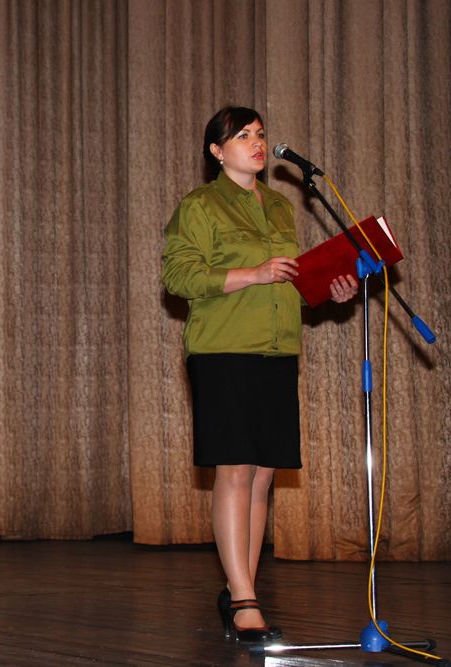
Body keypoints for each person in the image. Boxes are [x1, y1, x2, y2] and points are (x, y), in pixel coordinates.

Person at [161, 106, 357, 643]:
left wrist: (327, 292)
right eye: (242, 136)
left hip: (277, 350)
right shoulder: (200, 205)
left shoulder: (279, 206)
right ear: (216, 151)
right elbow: (178, 275)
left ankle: (239, 588)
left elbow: (287, 284)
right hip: (224, 349)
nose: (256, 143)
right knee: (235, 469)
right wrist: (253, 273)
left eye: (260, 134)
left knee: (264, 475)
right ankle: (246, 599)